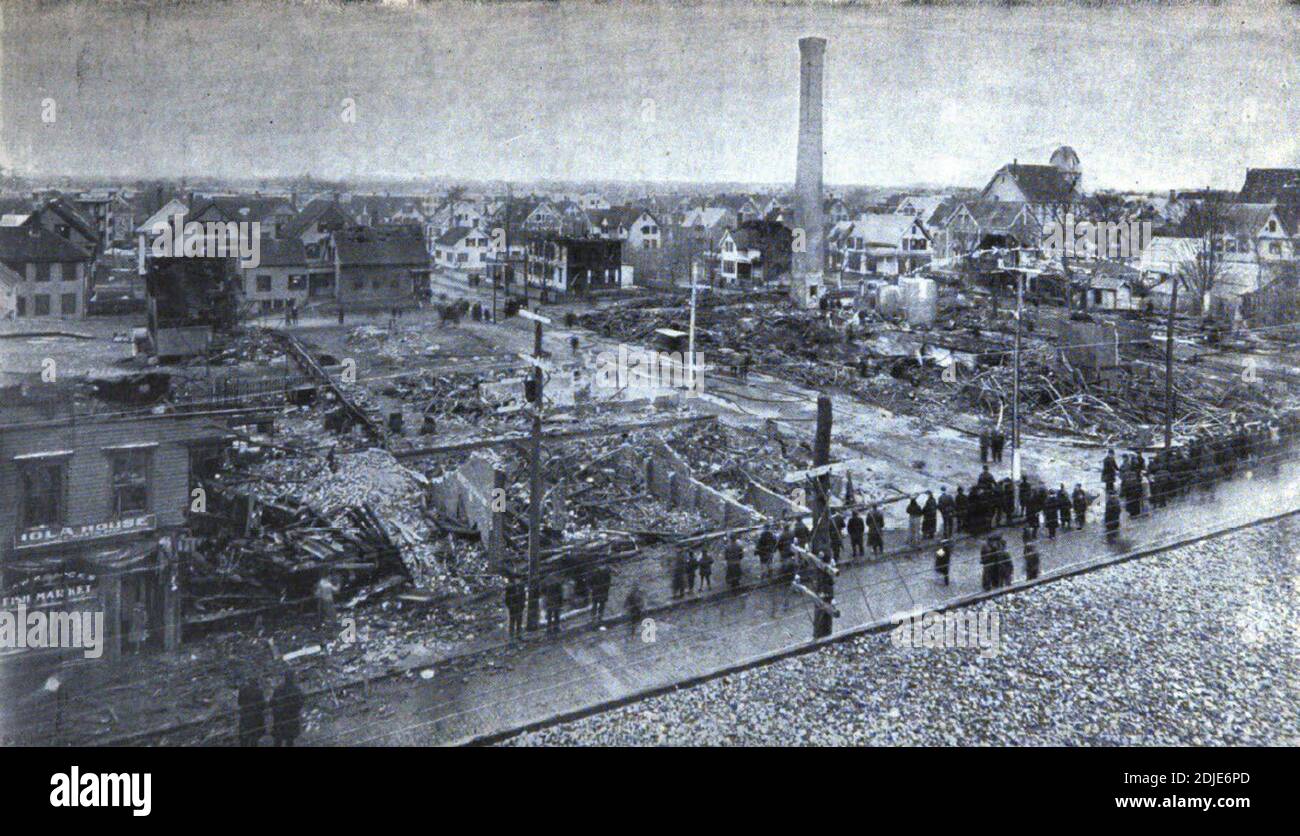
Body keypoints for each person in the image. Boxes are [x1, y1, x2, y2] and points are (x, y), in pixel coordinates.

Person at [270, 671, 304, 747]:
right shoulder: (296, 689)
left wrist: (276, 711)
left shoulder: (279, 689)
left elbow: (272, 703)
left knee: (279, 739)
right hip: (291, 717)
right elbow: (301, 703)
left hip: (281, 717)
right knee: (289, 739)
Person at [236, 675, 266, 747]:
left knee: (244, 738)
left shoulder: (243, 690)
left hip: (245, 716)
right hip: (255, 717)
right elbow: (262, 706)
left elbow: (239, 702)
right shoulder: (259, 691)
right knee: (254, 738)